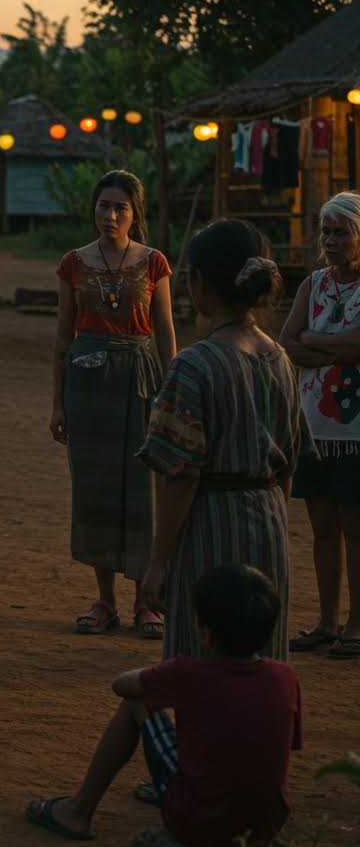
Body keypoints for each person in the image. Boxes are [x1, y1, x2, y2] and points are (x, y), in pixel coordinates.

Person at [25, 564, 302, 847]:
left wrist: (166, 673)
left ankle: (78, 811)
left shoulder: (189, 673)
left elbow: (122, 684)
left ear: (205, 633)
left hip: (198, 821)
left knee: (137, 702)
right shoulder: (284, 677)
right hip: (267, 824)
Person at [138, 220, 312, 660]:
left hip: (209, 526)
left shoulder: (194, 366)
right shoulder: (280, 359)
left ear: (200, 285)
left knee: (201, 655)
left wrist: (158, 562)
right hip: (269, 523)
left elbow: (179, 475)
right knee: (260, 658)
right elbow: (288, 466)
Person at [51, 170, 176, 639]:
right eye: (104, 206)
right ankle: (105, 600)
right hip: (86, 385)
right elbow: (63, 338)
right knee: (96, 488)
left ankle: (147, 601)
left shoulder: (153, 263)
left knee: (143, 488)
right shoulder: (72, 264)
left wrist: (173, 393)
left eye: (121, 207)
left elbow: (165, 333)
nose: (111, 215)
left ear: (135, 213)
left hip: (143, 383)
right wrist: (57, 405)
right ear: (93, 209)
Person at [279, 192, 360, 658]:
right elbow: (288, 343)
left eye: (340, 232)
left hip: (355, 433)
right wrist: (337, 345)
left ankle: (357, 624)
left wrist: (319, 342)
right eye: (325, 231)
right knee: (323, 526)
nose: (329, 240)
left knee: (356, 525)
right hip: (313, 426)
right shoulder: (313, 284)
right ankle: (328, 622)